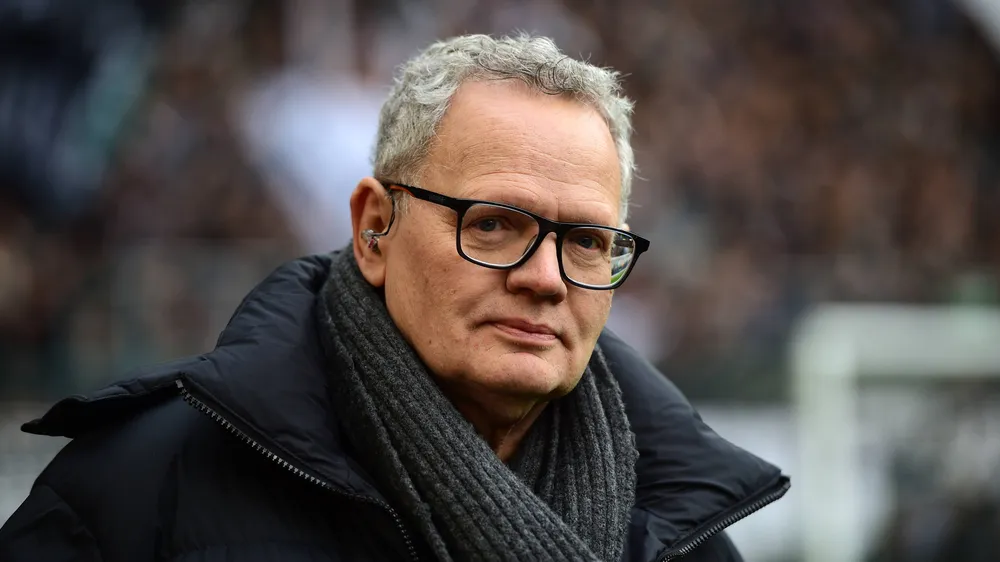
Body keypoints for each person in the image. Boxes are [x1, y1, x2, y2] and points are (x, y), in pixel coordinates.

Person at [0, 34, 789, 562]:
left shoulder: (685, 533)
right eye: (493, 224)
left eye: (586, 240)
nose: (547, 278)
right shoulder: (140, 489)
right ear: (375, 229)